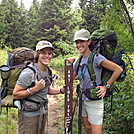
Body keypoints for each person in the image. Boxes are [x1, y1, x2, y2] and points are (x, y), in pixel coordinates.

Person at [68, 29, 123, 134]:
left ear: (88, 42)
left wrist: (106, 86)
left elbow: (118, 69)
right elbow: (70, 80)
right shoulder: (78, 61)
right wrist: (68, 64)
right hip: (82, 100)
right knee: (88, 129)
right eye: (77, 42)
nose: (79, 45)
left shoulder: (97, 57)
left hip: (94, 101)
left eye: (82, 41)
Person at [13, 40, 65, 134]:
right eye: (43, 53)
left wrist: (61, 90)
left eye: (49, 53)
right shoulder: (28, 73)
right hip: (29, 115)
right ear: (37, 54)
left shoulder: (48, 71)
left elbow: (47, 90)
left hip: (42, 112)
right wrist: (35, 89)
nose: (47, 56)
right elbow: (16, 94)